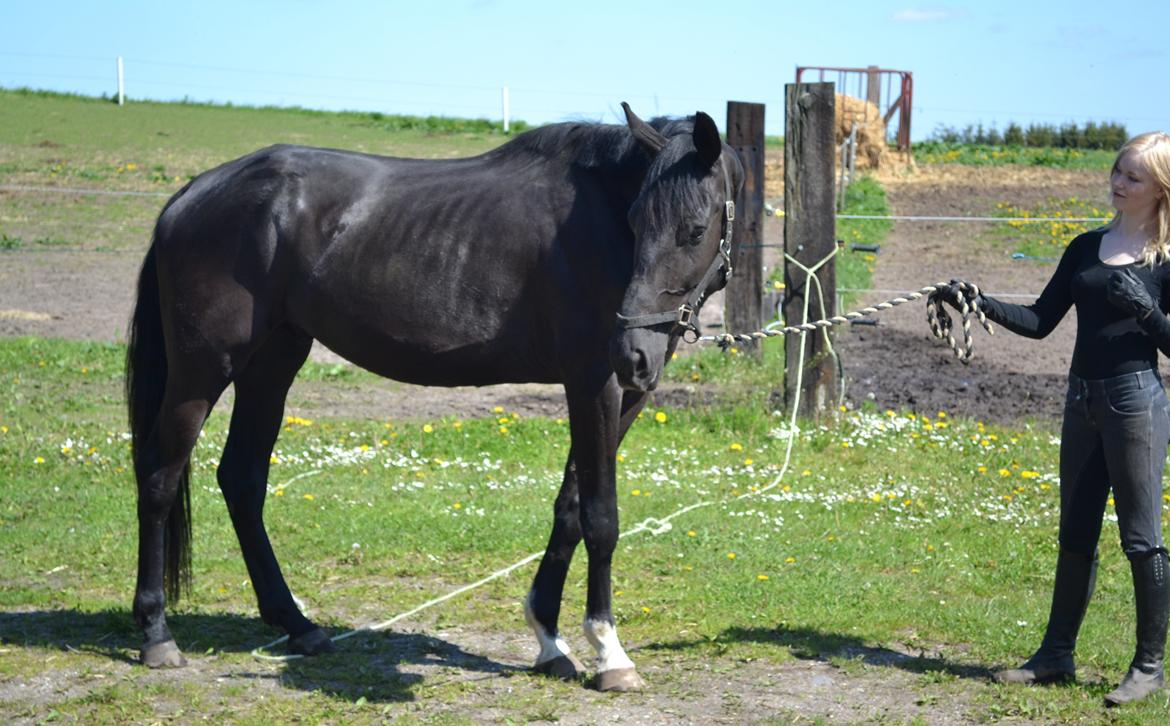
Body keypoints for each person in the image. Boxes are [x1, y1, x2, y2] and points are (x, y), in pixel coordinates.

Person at [942, 131, 1170, 706]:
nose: (1118, 183)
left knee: (1141, 540)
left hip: (1135, 403)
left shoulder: (1165, 263)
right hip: (1081, 402)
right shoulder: (1083, 247)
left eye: (1133, 177)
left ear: (1160, 189)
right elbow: (1041, 319)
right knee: (1075, 534)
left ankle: (1147, 667)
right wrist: (979, 300)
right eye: (1118, 172)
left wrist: (1146, 310)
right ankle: (1055, 655)